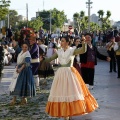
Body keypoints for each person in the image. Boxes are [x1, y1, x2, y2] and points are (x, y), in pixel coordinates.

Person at [45, 36, 98, 120]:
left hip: (69, 74)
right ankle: (66, 114)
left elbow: (82, 50)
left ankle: (68, 114)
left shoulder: (72, 50)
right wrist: (42, 58)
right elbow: (50, 59)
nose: (61, 42)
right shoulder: (59, 51)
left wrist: (83, 43)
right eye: (61, 41)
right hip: (60, 75)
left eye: (62, 41)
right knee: (62, 93)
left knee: (70, 93)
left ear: (67, 42)